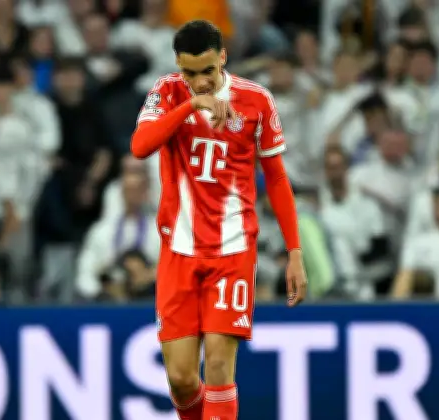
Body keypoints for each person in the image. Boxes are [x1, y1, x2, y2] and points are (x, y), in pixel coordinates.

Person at [129, 20, 307, 420]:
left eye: (207, 71)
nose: (200, 82)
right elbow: (140, 146)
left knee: (219, 366)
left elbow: (277, 178)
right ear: (178, 65)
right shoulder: (167, 91)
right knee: (181, 379)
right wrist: (190, 106)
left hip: (232, 249)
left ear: (223, 57)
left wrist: (294, 251)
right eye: (190, 73)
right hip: (179, 250)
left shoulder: (256, 100)